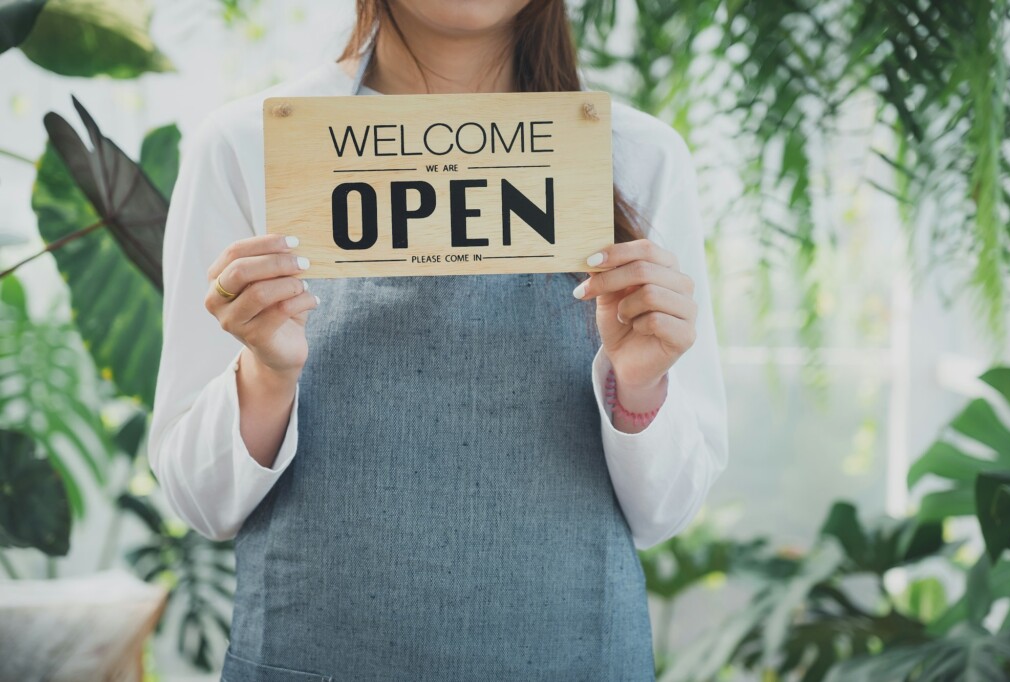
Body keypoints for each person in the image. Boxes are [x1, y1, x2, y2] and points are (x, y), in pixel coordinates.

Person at [147, 0, 729, 679]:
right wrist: (266, 373)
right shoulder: (248, 146)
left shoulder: (639, 156)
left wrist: (640, 386)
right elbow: (200, 500)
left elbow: (667, 510)